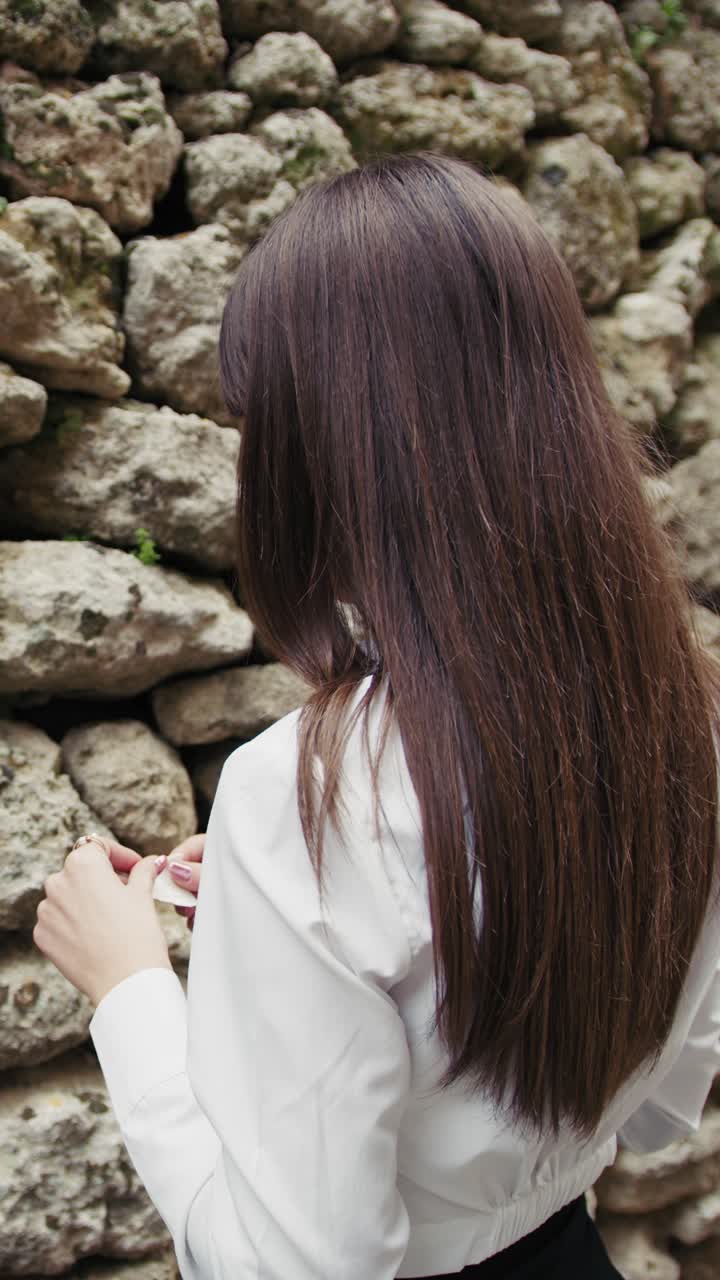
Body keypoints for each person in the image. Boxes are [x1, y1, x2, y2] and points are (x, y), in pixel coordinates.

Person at [34, 152, 720, 1279]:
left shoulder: (311, 793)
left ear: (328, 447)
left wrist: (130, 989)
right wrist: (275, 915)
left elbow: (297, 1266)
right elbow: (658, 1102)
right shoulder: (682, 713)